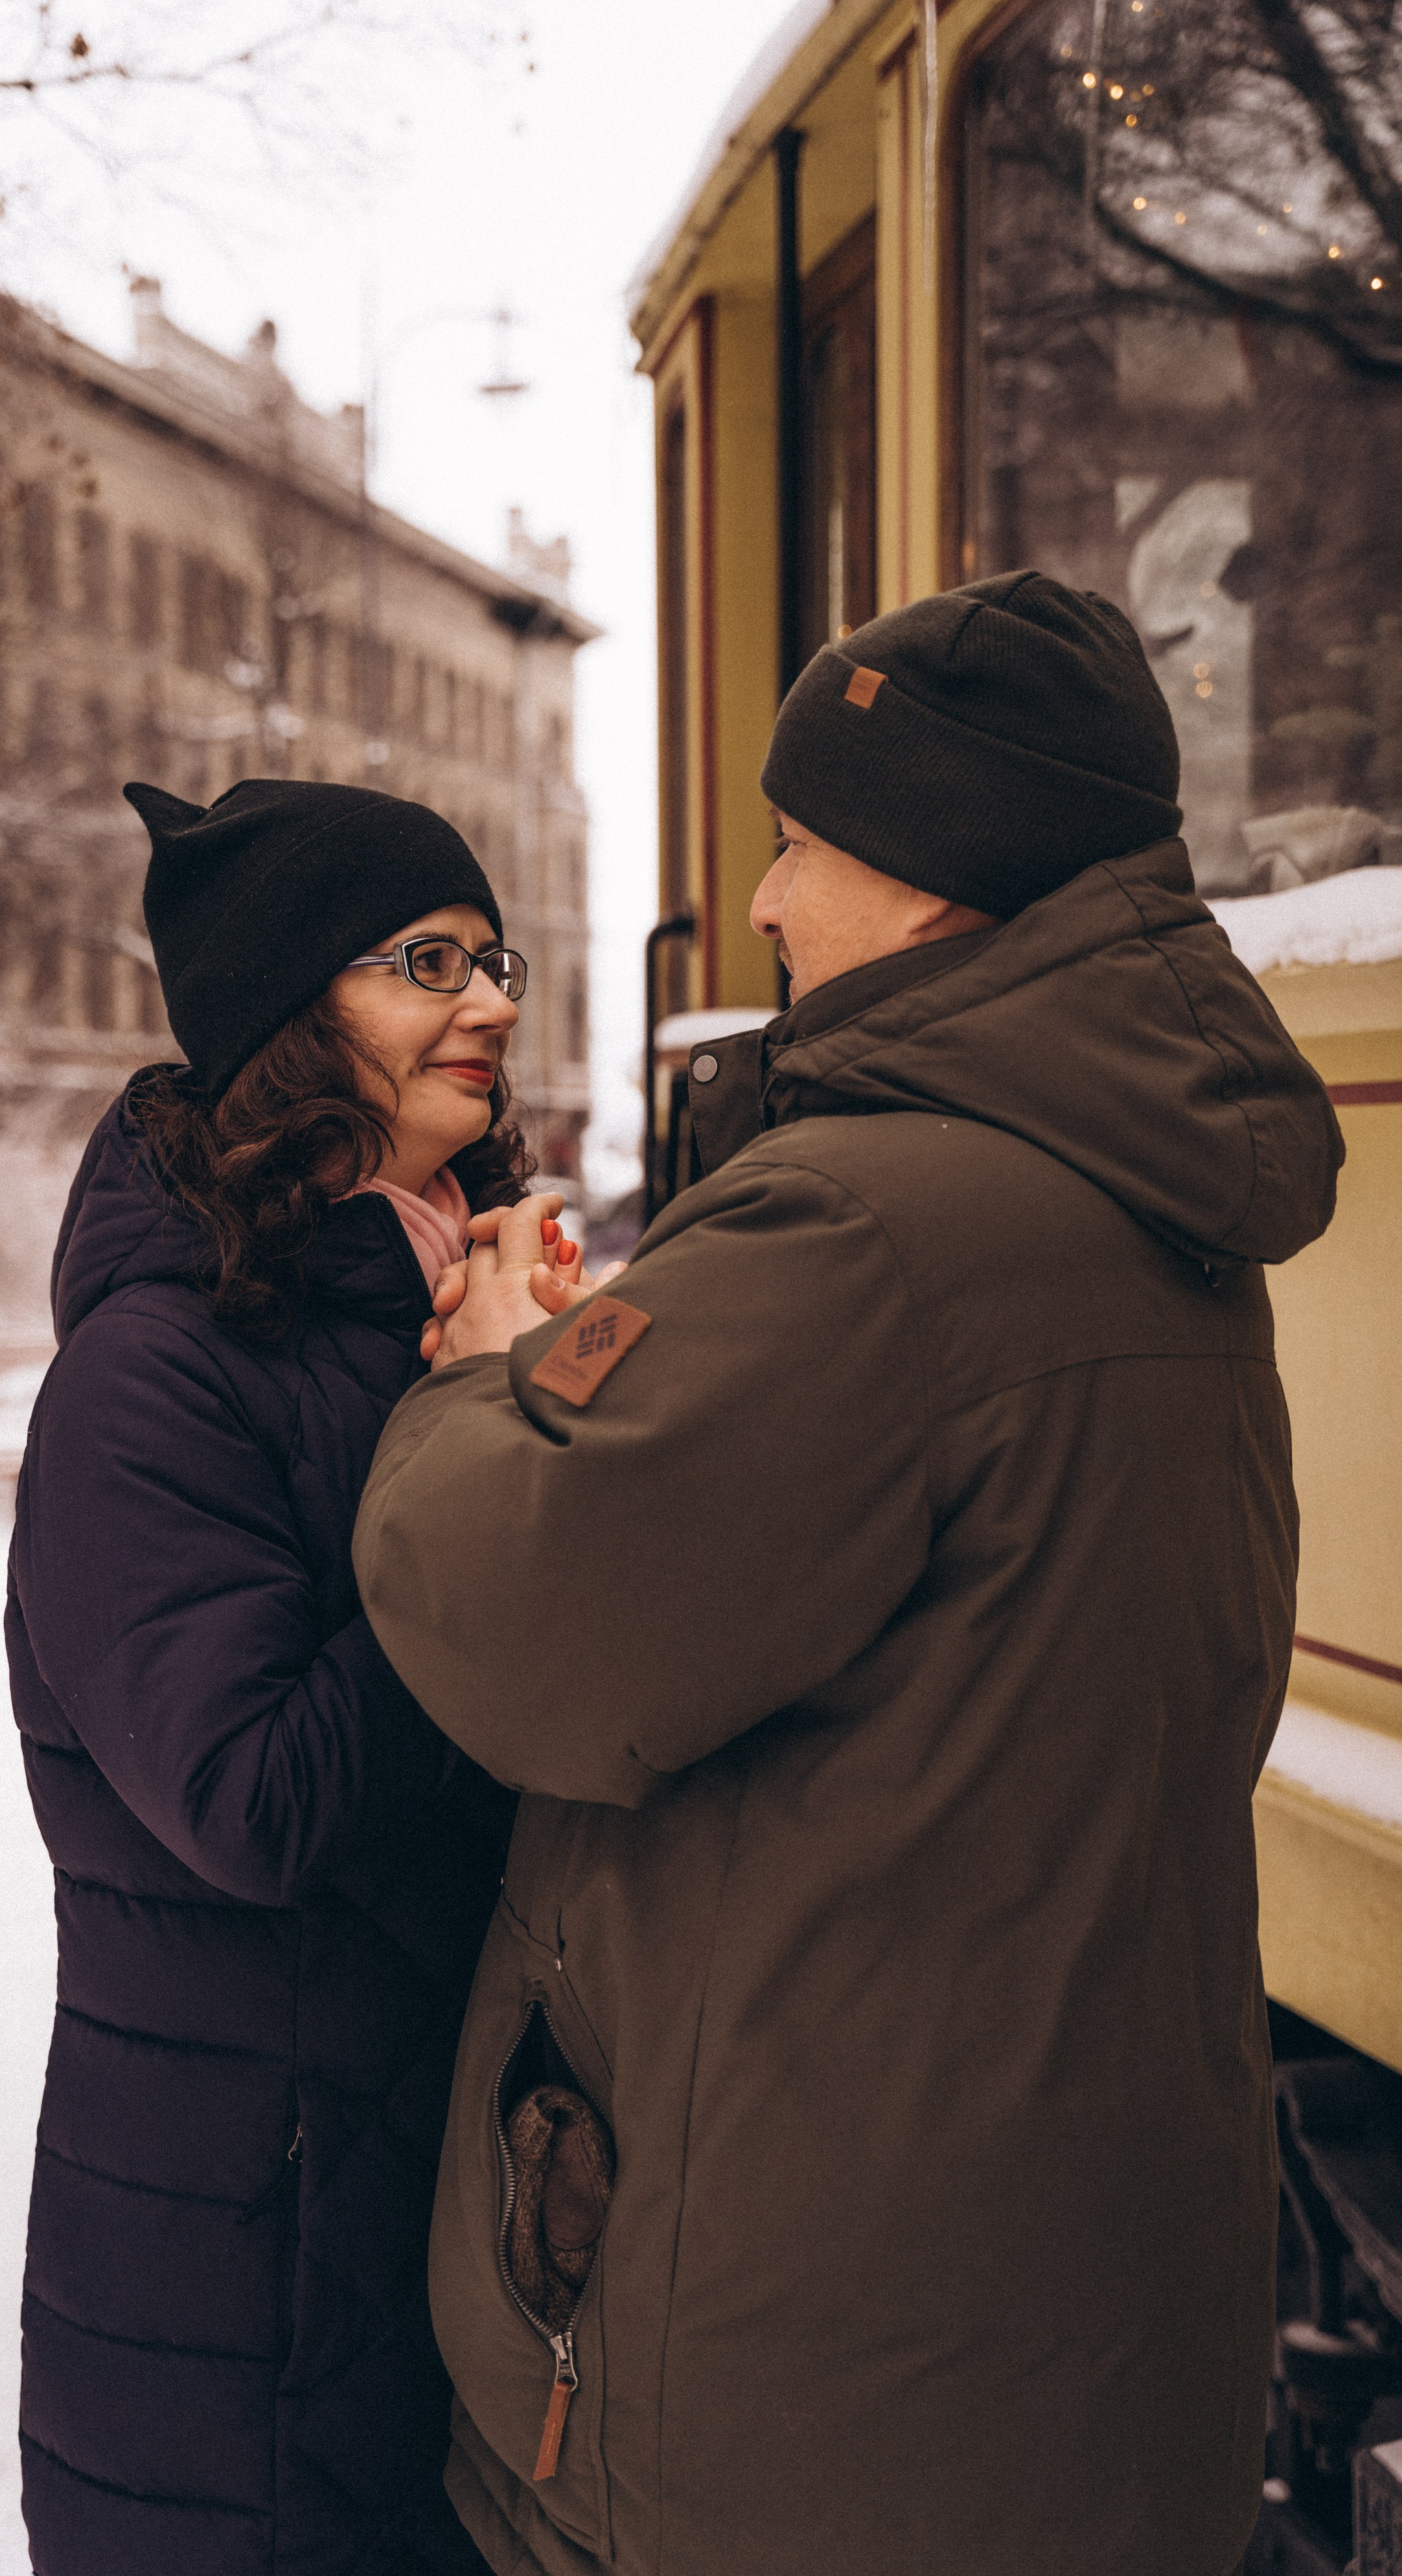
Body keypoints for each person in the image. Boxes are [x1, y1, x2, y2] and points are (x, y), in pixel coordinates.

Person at [352, 573, 1345, 2576]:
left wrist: (476, 1385)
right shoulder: (1148, 1198)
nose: (776, 904)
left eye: (806, 845)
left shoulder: (871, 1221)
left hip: (802, 2402)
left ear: (936, 873)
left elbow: (536, 1624)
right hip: (1050, 2341)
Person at [5, 778, 574, 2576]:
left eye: (497, 961)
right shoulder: (149, 1378)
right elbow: (259, 1800)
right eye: (427, 962)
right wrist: (493, 1425)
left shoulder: (413, 1311)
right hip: (241, 2283)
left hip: (415, 2223)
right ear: (286, 1013)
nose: (489, 1002)